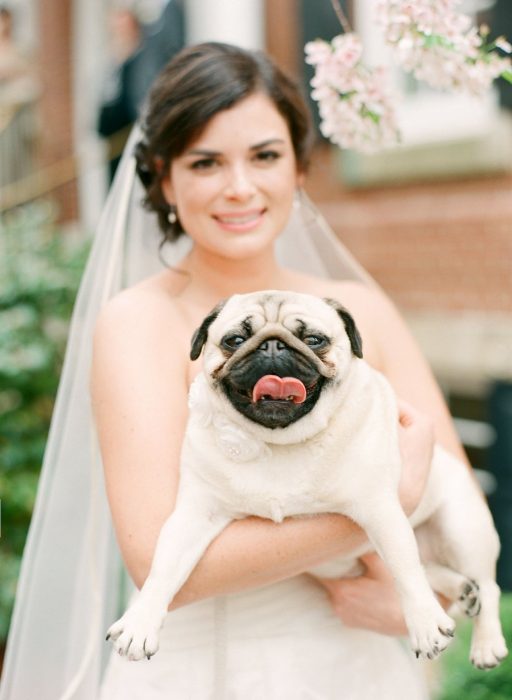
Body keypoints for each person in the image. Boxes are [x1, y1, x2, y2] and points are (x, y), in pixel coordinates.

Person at [0, 42, 471, 699]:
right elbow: (160, 565)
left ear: (300, 169)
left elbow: (454, 499)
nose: (240, 187)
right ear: (163, 178)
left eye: (265, 156)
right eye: (205, 162)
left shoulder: (359, 311)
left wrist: (427, 600)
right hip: (204, 669)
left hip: (356, 665)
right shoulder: (138, 323)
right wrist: (383, 502)